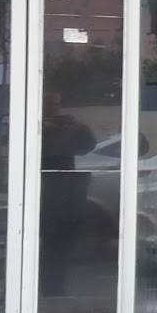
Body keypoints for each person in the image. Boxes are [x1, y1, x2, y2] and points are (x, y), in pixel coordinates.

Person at [39, 93, 97, 296]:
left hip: (63, 192)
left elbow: (87, 146)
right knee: (46, 240)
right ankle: (45, 284)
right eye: (49, 104)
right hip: (42, 191)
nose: (54, 108)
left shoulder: (66, 128)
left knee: (61, 240)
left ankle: (54, 285)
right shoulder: (33, 126)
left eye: (57, 104)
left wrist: (76, 126)